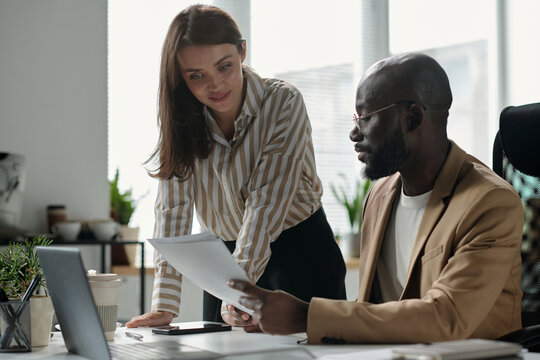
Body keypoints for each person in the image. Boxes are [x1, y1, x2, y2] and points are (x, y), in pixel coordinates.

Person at [229, 52, 524, 343]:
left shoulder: (489, 203)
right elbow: (373, 308)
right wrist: (288, 321)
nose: (354, 133)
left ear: (413, 118)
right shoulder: (380, 196)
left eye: (366, 117)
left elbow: (446, 317)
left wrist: (305, 316)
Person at [126, 4, 346, 329]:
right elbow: (172, 212)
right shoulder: (181, 122)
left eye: (224, 66)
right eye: (196, 76)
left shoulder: (283, 103)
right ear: (180, 77)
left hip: (299, 253)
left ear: (242, 51)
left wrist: (236, 288)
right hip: (224, 264)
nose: (215, 85)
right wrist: (165, 306)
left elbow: (265, 205)